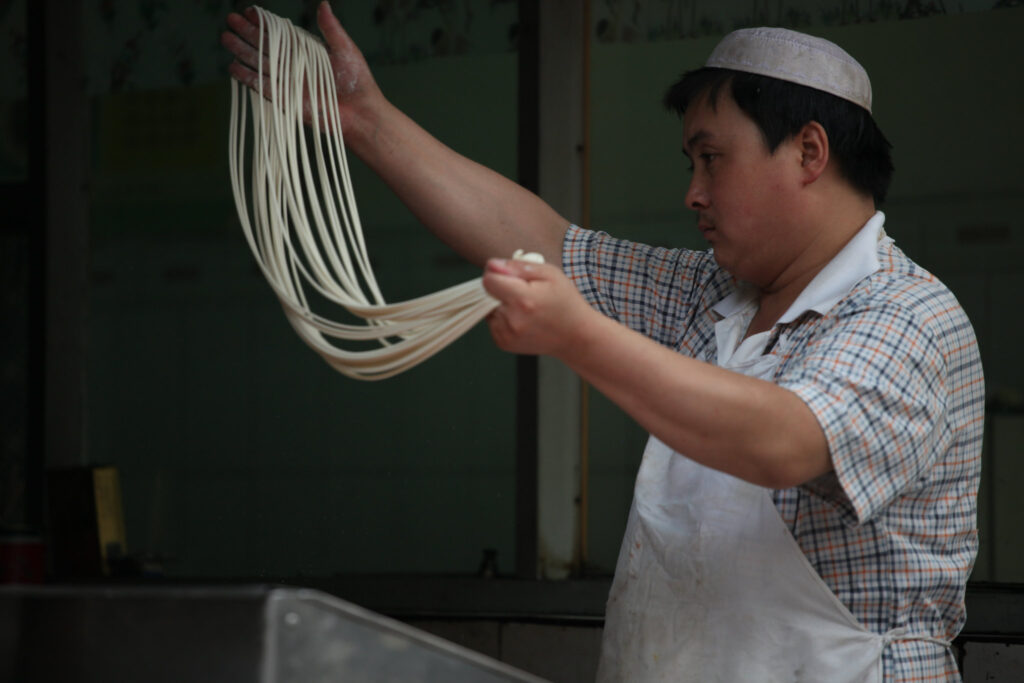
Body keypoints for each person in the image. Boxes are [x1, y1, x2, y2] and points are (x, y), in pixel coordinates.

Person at [223, 5, 984, 682]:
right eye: (690, 163)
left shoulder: (908, 315)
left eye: (712, 158)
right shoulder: (709, 295)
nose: (693, 192)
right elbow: (547, 245)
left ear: (810, 152)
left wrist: (579, 337)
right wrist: (364, 120)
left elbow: (785, 436)